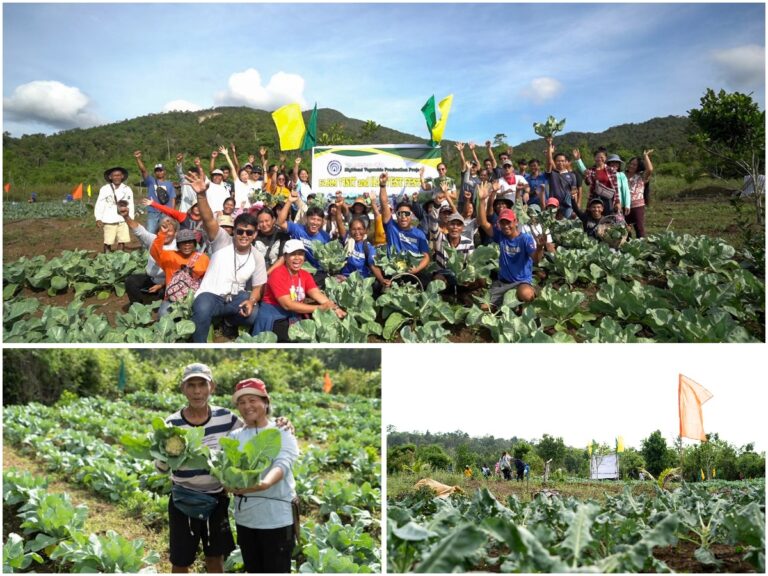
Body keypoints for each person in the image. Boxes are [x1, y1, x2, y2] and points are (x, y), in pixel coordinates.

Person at [161, 363, 293, 573]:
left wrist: (281, 423)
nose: (197, 391)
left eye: (202, 384)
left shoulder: (227, 418)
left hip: (217, 500)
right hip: (183, 500)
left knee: (215, 557)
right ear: (183, 389)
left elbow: (254, 428)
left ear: (212, 387)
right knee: (181, 560)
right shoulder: (171, 423)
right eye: (191, 385)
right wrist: (163, 457)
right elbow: (161, 467)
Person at [226, 378, 299, 573]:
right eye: (241, 402)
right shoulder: (235, 436)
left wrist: (265, 483)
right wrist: (227, 483)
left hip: (276, 519)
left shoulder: (282, 431)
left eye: (252, 400)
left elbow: (283, 463)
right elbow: (226, 470)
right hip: (245, 520)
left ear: (265, 402)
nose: (247, 406)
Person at [186, 169, 267, 343]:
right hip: (211, 295)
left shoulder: (257, 256)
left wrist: (251, 301)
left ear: (255, 235)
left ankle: (229, 322)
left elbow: (258, 287)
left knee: (253, 313)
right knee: (202, 308)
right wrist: (201, 195)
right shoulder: (222, 240)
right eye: (240, 231)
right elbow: (208, 219)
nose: (244, 235)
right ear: (234, 231)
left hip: (235, 298)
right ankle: (199, 345)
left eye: (249, 232)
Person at [252, 240, 346, 340]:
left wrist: (335, 308)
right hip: (274, 318)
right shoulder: (277, 274)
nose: (297, 258)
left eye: (300, 254)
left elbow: (316, 293)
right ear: (285, 257)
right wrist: (320, 308)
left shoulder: (305, 275)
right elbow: (287, 305)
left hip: (292, 316)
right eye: (293, 254)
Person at [476, 182, 545, 308]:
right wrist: (481, 201)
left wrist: (540, 248)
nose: (506, 226)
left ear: (516, 221)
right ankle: (508, 304)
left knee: (526, 294)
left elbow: (536, 259)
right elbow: (483, 223)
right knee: (484, 307)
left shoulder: (525, 239)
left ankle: (524, 304)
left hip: (521, 282)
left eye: (508, 222)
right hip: (502, 283)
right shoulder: (500, 236)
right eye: (502, 223)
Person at [378, 172, 431, 287]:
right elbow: (384, 205)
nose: (403, 216)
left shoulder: (419, 234)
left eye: (406, 214)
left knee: (427, 283)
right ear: (396, 215)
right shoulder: (391, 228)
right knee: (381, 287)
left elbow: (426, 257)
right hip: (394, 272)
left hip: (413, 272)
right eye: (400, 213)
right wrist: (382, 186)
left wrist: (415, 270)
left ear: (411, 216)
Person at [118, 203, 177, 305]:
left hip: (168, 281)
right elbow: (139, 230)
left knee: (167, 292)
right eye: (163, 229)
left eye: (170, 231)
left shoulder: (178, 246)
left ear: (175, 233)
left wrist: (161, 285)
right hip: (151, 279)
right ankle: (138, 306)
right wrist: (126, 216)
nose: (166, 233)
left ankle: (164, 306)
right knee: (130, 281)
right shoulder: (153, 239)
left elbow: (179, 275)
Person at [151, 224, 210, 316]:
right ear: (178, 245)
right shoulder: (170, 256)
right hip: (173, 298)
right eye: (183, 243)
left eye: (190, 242)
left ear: (194, 244)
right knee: (163, 315)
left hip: (194, 298)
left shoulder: (203, 258)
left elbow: (207, 279)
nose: (187, 245)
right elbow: (155, 251)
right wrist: (162, 234)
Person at [277, 192, 331, 286]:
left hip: (316, 273)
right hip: (296, 268)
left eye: (318, 220)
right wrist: (289, 201)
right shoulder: (297, 229)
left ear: (322, 222)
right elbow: (280, 222)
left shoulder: (325, 237)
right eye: (312, 219)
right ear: (306, 218)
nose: (315, 222)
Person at [134, 151, 176, 234]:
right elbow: (143, 171)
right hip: (153, 212)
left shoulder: (169, 184)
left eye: (161, 170)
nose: (159, 172)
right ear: (155, 172)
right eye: (157, 171)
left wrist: (173, 213)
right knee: (150, 233)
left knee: (165, 233)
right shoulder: (151, 181)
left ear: (164, 171)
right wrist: (138, 159)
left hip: (166, 212)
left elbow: (173, 198)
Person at [95, 166, 134, 253]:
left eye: (119, 175)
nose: (117, 177)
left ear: (122, 176)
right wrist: (98, 218)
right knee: (108, 241)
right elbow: (100, 204)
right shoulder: (105, 189)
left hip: (123, 219)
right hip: (109, 219)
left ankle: (120, 256)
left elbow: (131, 204)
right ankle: (106, 257)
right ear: (110, 177)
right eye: (114, 176)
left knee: (122, 240)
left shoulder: (127, 189)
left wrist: (130, 219)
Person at [545, 138, 578, 219]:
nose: (561, 163)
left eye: (563, 161)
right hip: (553, 205)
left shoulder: (572, 175)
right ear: (555, 161)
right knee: (552, 224)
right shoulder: (552, 173)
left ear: (566, 162)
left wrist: (575, 208)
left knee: (567, 224)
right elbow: (549, 162)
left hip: (568, 205)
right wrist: (549, 145)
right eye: (558, 161)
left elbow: (574, 192)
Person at [625, 150, 654, 238]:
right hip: (624, 206)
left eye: (634, 165)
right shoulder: (623, 175)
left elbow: (650, 169)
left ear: (638, 167)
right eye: (630, 164)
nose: (631, 166)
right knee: (624, 229)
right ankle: (626, 244)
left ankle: (641, 245)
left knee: (639, 228)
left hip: (637, 206)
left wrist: (645, 156)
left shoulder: (641, 176)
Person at [254, 207, 290, 275]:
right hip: (256, 273)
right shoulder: (254, 235)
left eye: (267, 221)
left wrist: (266, 273)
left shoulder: (282, 235)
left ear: (273, 220)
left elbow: (282, 258)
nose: (264, 224)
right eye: (261, 222)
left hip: (276, 274)